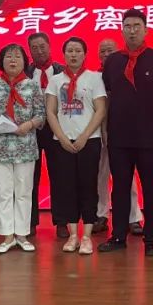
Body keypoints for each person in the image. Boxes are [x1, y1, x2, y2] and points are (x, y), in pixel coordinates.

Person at [100, 9, 153, 258]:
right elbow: (107, 97)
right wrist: (105, 129)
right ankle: (118, 235)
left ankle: (151, 238)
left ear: (146, 30)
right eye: (128, 26)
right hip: (119, 136)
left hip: (149, 136)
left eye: (136, 26)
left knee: (152, 187)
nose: (132, 30)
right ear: (122, 30)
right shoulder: (113, 61)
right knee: (120, 188)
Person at [0, 43, 45, 253]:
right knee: (3, 193)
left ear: (24, 62)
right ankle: (7, 236)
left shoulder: (32, 86)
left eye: (17, 56)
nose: (13, 60)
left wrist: (29, 124)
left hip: (25, 147)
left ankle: (22, 235)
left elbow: (41, 115)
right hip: (0, 148)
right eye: (8, 56)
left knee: (24, 192)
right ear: (1, 61)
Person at [45, 37, 107, 254]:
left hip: (89, 141)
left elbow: (100, 110)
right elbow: (51, 111)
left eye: (77, 50)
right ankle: (73, 235)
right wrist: (61, 137)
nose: (73, 54)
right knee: (67, 188)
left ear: (84, 54)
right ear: (63, 54)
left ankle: (87, 236)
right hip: (62, 142)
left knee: (88, 187)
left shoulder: (95, 78)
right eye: (69, 51)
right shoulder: (55, 80)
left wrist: (84, 136)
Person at [94, 38, 143, 233]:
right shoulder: (93, 77)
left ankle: (133, 217)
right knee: (100, 175)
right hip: (98, 132)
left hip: (122, 131)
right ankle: (101, 214)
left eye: (110, 50)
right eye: (103, 51)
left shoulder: (127, 71)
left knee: (127, 176)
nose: (107, 54)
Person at [25, 32, 65, 235]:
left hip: (56, 129)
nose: (39, 51)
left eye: (42, 47)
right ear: (30, 51)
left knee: (60, 175)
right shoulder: (25, 73)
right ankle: (30, 222)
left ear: (49, 47)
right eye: (34, 48)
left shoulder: (62, 72)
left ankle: (62, 222)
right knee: (30, 176)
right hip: (31, 130)